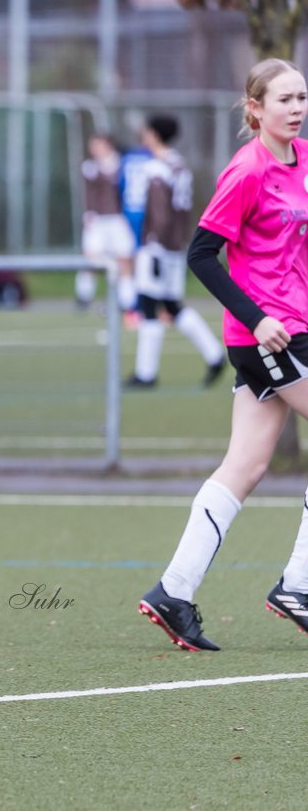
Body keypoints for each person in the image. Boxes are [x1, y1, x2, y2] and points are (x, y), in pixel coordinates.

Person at [139, 58, 308, 651]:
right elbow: (201, 256)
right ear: (255, 108)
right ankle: (299, 585)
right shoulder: (247, 170)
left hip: (294, 328)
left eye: (302, 97)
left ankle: (174, 592)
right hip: (267, 335)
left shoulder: (304, 160)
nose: (296, 108)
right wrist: (259, 319)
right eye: (283, 98)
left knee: (245, 466)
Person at [124, 115, 225, 389]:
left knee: (148, 305)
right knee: (172, 306)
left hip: (158, 246)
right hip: (176, 245)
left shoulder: (157, 168)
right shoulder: (179, 165)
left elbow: (159, 213)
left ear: (154, 134)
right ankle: (214, 354)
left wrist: (153, 246)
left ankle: (146, 373)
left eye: (146, 131)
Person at [75, 134, 137, 314]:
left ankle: (128, 302)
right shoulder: (90, 167)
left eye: (98, 145)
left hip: (118, 219)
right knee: (91, 259)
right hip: (98, 220)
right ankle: (84, 297)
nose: (95, 150)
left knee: (124, 259)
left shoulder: (123, 165)